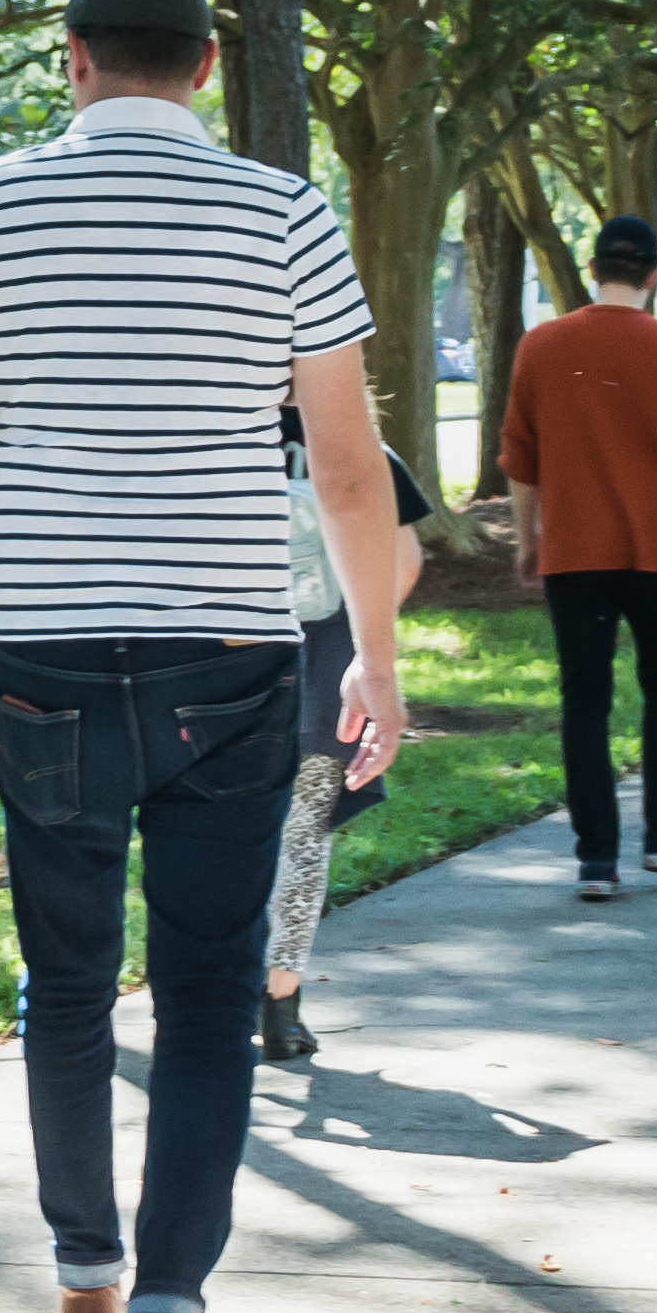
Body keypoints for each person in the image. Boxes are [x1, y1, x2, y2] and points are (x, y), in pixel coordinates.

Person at [0, 0, 404, 1313]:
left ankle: (82, 1290)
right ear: (203, 66)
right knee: (202, 998)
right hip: (233, 655)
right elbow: (350, 466)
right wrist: (373, 649)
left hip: (43, 644)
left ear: (72, 57)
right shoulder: (285, 211)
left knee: (61, 984)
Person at [499, 212, 657, 900]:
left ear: (593, 270)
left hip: (575, 555)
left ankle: (596, 860)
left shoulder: (541, 347)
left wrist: (530, 541)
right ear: (654, 273)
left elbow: (521, 460)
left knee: (585, 701)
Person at [261, 404, 437, 1062]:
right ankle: (281, 1007)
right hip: (325, 672)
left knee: (208, 837)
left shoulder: (204, 435)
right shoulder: (357, 447)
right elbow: (407, 558)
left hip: (221, 674)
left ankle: (202, 991)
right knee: (304, 841)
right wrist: (368, 639)